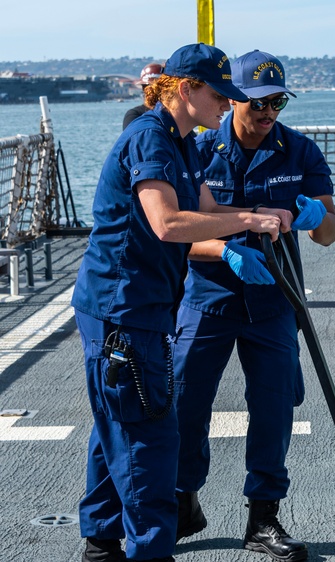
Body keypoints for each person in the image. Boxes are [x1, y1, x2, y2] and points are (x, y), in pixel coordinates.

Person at [72, 43, 291, 562]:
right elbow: (167, 222)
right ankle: (151, 552)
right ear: (186, 89)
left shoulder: (185, 143)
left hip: (135, 307)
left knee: (115, 427)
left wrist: (263, 213)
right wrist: (246, 223)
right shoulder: (150, 139)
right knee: (149, 437)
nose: (226, 106)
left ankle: (100, 543)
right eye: (219, 95)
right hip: (125, 310)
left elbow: (208, 207)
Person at [172, 50, 335, 562]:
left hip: (274, 301)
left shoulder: (300, 151)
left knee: (272, 412)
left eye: (278, 102)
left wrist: (313, 214)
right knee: (184, 403)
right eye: (260, 102)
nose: (269, 113)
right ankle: (181, 502)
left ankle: (263, 518)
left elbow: (329, 233)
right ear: (236, 98)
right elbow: (174, 234)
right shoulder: (198, 150)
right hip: (209, 299)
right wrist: (225, 247)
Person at [123, 62, 163, 130]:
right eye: (146, 87)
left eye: (156, 87)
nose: (150, 91)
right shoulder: (134, 115)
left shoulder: (175, 115)